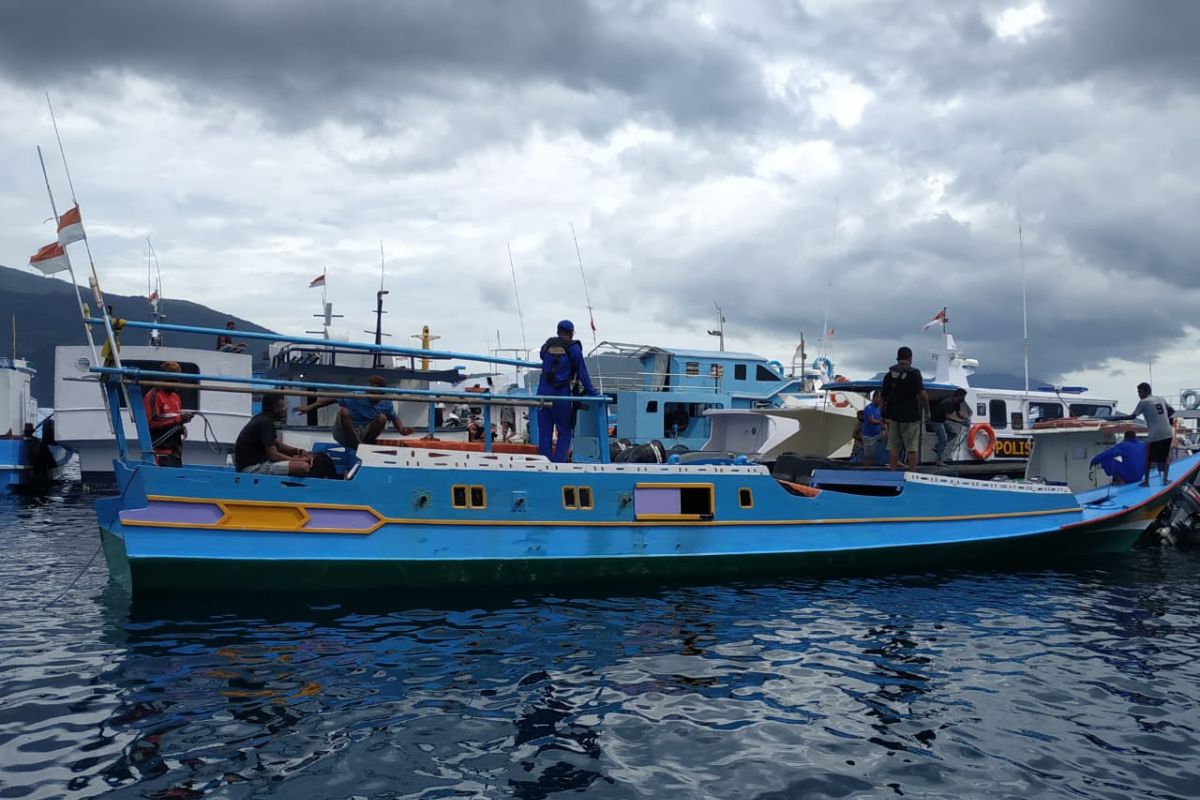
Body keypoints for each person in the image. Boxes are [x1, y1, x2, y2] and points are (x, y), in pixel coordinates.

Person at [536, 319, 598, 462]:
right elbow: (582, 373)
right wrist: (592, 392)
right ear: (571, 333)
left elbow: (542, 357)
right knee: (564, 431)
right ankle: (559, 464)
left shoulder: (546, 346)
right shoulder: (573, 349)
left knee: (545, 432)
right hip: (560, 395)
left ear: (558, 332)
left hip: (542, 393)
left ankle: (544, 463)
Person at [294, 375, 410, 449]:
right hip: (345, 432)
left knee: (383, 418)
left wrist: (401, 430)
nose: (372, 395)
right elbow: (332, 398)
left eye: (376, 393)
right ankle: (359, 445)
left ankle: (362, 445)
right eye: (371, 392)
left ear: (382, 393)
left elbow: (394, 417)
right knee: (343, 412)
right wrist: (309, 407)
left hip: (364, 432)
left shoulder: (386, 403)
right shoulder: (356, 396)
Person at [1111, 382, 1175, 486]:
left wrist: (1117, 418)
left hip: (1155, 434)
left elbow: (1132, 416)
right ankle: (1165, 480)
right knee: (1165, 457)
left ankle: (1146, 482)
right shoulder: (1161, 399)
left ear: (1146, 391)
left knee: (1148, 458)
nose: (1138, 394)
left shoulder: (1144, 402)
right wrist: (1164, 419)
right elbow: (1171, 410)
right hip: (1167, 432)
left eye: (1140, 392)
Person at [235, 393, 311, 475]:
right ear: (275, 408)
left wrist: (298, 451)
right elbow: (274, 455)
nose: (285, 409)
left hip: (258, 464)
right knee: (303, 467)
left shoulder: (260, 419)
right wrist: (299, 460)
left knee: (297, 461)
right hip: (252, 469)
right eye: (283, 406)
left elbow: (279, 445)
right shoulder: (265, 423)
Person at [881, 345, 930, 470]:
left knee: (893, 447)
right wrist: (927, 410)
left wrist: (883, 415)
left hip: (894, 416)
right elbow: (923, 394)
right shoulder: (914, 373)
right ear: (910, 358)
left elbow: (883, 397)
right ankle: (912, 474)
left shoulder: (889, 375)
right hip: (911, 416)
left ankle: (893, 472)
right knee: (912, 447)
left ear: (897, 358)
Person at [142, 361, 194, 467]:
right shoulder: (154, 396)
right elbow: (152, 423)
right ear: (164, 379)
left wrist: (181, 427)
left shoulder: (176, 397)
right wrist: (179, 419)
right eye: (174, 380)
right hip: (161, 454)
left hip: (176, 453)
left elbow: (173, 420)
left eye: (178, 380)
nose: (177, 383)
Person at [932, 388, 971, 465]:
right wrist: (961, 422)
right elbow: (948, 417)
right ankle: (939, 461)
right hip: (936, 422)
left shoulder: (957, 403)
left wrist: (965, 418)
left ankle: (937, 447)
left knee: (953, 434)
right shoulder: (948, 402)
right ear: (959, 396)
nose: (964, 399)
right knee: (943, 440)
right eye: (963, 397)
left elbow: (958, 414)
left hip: (941, 421)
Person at [861, 390, 886, 466]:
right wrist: (881, 422)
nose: (881, 400)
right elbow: (871, 420)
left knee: (887, 435)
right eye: (879, 398)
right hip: (869, 436)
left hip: (877, 434)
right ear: (875, 398)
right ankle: (866, 469)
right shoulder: (869, 408)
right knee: (868, 456)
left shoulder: (878, 409)